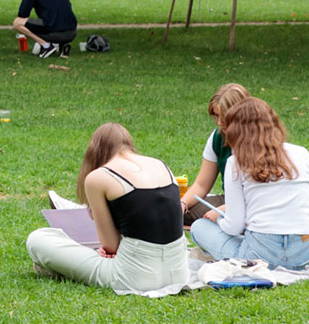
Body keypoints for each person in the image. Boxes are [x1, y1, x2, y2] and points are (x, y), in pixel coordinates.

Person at [26, 123, 188, 292]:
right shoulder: (161, 165)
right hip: (179, 273)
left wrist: (108, 248)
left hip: (132, 278)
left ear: (95, 150)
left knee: (37, 238)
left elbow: (111, 245)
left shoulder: (98, 177)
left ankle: (54, 267)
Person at [190, 98, 309, 270]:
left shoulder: (235, 162)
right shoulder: (302, 153)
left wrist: (220, 220)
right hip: (307, 257)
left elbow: (234, 226)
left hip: (259, 258)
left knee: (199, 227)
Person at [180, 83, 251, 226]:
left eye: (224, 117)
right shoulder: (218, 137)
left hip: (256, 204)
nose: (219, 122)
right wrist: (182, 204)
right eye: (216, 116)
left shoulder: (261, 139)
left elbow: (261, 195)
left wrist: (223, 210)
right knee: (170, 211)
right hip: (230, 200)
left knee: (208, 223)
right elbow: (201, 184)